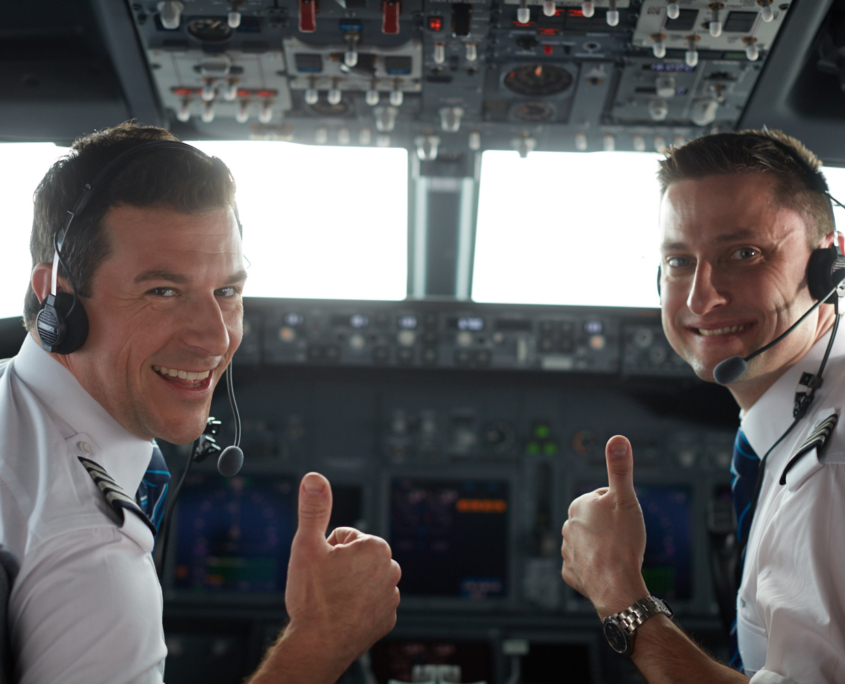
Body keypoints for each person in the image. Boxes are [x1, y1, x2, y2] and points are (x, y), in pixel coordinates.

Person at [0, 122, 401, 684]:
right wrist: (322, 638)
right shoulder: (90, 550)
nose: (216, 339)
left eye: (227, 292)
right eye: (163, 292)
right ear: (56, 292)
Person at [561, 130, 845, 683]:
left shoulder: (830, 467)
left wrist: (619, 590)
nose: (700, 298)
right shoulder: (807, 412)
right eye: (679, 261)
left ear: (828, 263)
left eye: (743, 254)